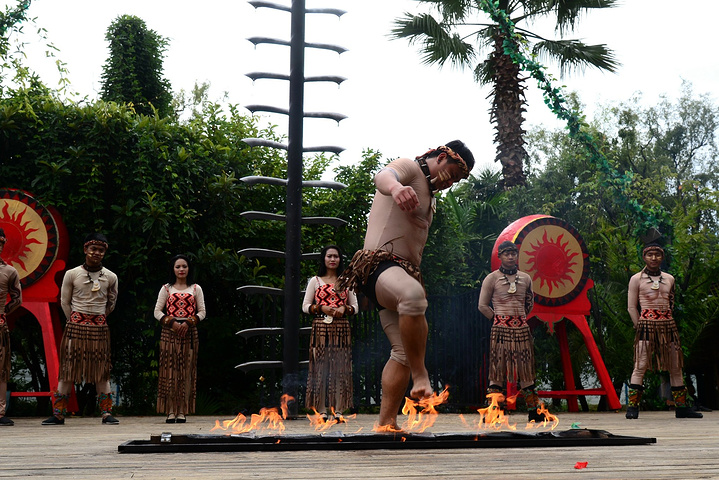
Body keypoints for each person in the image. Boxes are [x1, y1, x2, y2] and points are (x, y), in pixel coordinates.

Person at [336, 140, 475, 429]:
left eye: (457, 181)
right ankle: (421, 376)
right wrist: (397, 188)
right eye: (453, 174)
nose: (451, 183)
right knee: (413, 296)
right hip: (378, 265)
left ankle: (386, 424)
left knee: (401, 352)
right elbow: (383, 176)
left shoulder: (429, 194)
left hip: (400, 274)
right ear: (441, 157)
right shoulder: (410, 168)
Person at [42, 233, 119, 425]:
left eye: (101, 250)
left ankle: (106, 413)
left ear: (104, 253)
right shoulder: (72, 274)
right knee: (68, 370)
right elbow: (64, 301)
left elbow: (111, 303)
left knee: (102, 370)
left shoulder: (111, 277)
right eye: (93, 249)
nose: (96, 253)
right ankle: (58, 414)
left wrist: (97, 318)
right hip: (75, 328)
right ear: (85, 249)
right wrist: (76, 320)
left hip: (99, 329)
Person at [626, 243, 702, 419]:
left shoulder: (669, 279)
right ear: (644, 257)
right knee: (640, 365)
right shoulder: (636, 279)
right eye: (650, 255)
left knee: (675, 366)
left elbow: (672, 303)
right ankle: (632, 408)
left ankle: (681, 408)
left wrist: (664, 319)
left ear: (662, 257)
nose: (654, 258)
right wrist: (640, 326)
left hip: (668, 326)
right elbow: (631, 307)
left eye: (657, 255)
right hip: (646, 326)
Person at [478, 240, 547, 422]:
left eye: (513, 254)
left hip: (521, 330)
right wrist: (497, 319)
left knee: (526, 370)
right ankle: (493, 411)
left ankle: (534, 411)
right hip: (500, 330)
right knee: (497, 370)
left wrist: (519, 319)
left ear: (517, 256)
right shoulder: (491, 278)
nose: (510, 257)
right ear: (500, 256)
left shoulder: (526, 278)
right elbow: (482, 305)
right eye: (506, 254)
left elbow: (529, 303)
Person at [302, 245, 358, 420]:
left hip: (341, 328)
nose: (333, 259)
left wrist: (344, 309)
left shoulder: (347, 281)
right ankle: (321, 410)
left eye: (336, 256)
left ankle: (338, 410)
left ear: (340, 259)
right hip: (320, 328)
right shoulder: (315, 281)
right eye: (329, 256)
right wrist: (321, 308)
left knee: (340, 368)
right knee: (320, 368)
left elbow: (355, 307)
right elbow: (305, 306)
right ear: (323, 259)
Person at [154, 254, 206, 423]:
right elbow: (157, 311)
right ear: (173, 269)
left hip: (189, 334)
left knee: (186, 371)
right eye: (178, 266)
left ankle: (182, 410)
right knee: (170, 371)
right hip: (169, 333)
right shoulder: (166, 288)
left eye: (184, 266)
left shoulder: (196, 288)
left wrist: (189, 322)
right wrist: (172, 323)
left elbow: (202, 312)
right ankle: (170, 410)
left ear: (189, 268)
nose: (181, 269)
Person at [0, 229, 22, 426]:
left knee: (1, 370)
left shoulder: (9, 271)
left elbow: (17, 299)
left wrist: (3, 312)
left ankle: (0, 412)